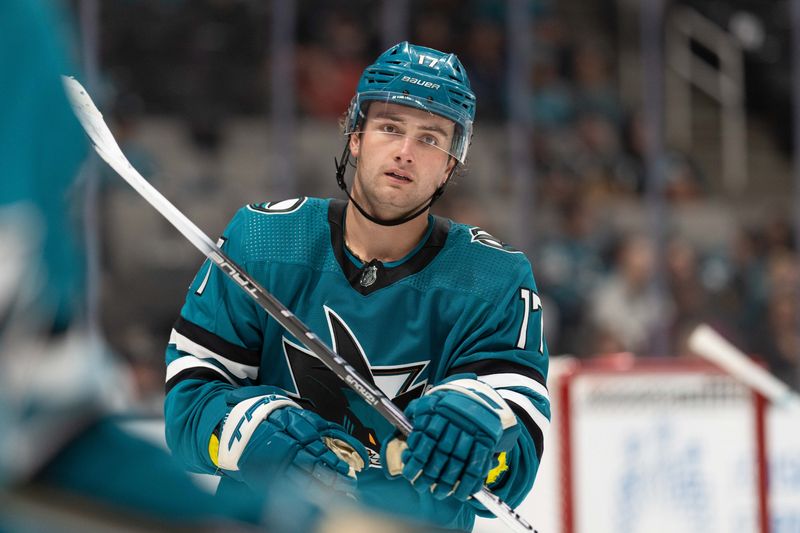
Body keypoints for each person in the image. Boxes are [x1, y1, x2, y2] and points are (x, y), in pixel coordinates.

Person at [165, 41, 551, 531]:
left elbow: (512, 468)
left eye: (431, 139)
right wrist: (248, 431)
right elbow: (187, 411)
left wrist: (480, 430)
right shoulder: (261, 241)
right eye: (390, 128)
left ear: (451, 164)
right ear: (355, 136)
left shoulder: (494, 279)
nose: (406, 153)